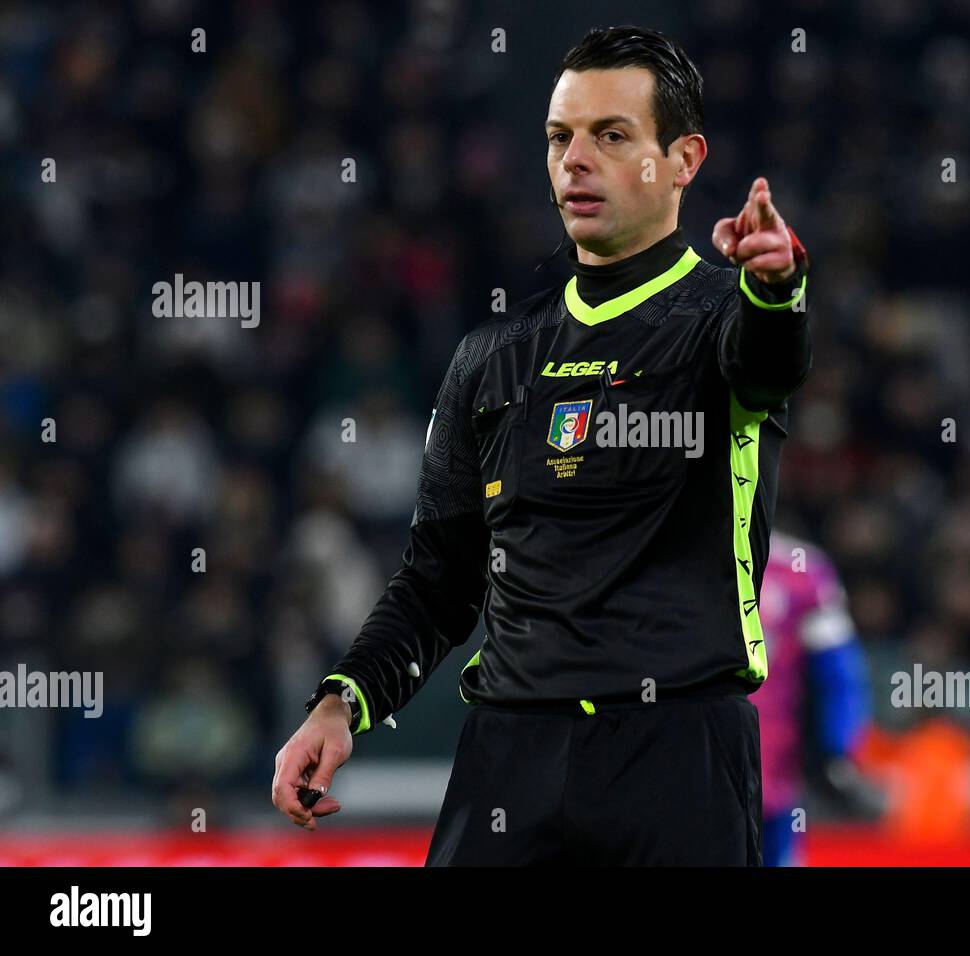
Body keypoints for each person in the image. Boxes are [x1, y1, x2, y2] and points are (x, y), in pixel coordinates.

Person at [272, 24, 812, 865]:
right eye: (561, 137)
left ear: (684, 159)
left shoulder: (722, 317)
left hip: (678, 759)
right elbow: (440, 581)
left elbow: (771, 364)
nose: (575, 159)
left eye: (611, 135)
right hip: (510, 762)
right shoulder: (491, 357)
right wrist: (342, 702)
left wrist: (776, 288)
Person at [753, 530, 871, 866]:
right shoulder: (797, 567)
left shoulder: (799, 569)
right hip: (739, 766)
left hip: (766, 772)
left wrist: (837, 749)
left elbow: (839, 677)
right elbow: (840, 677)